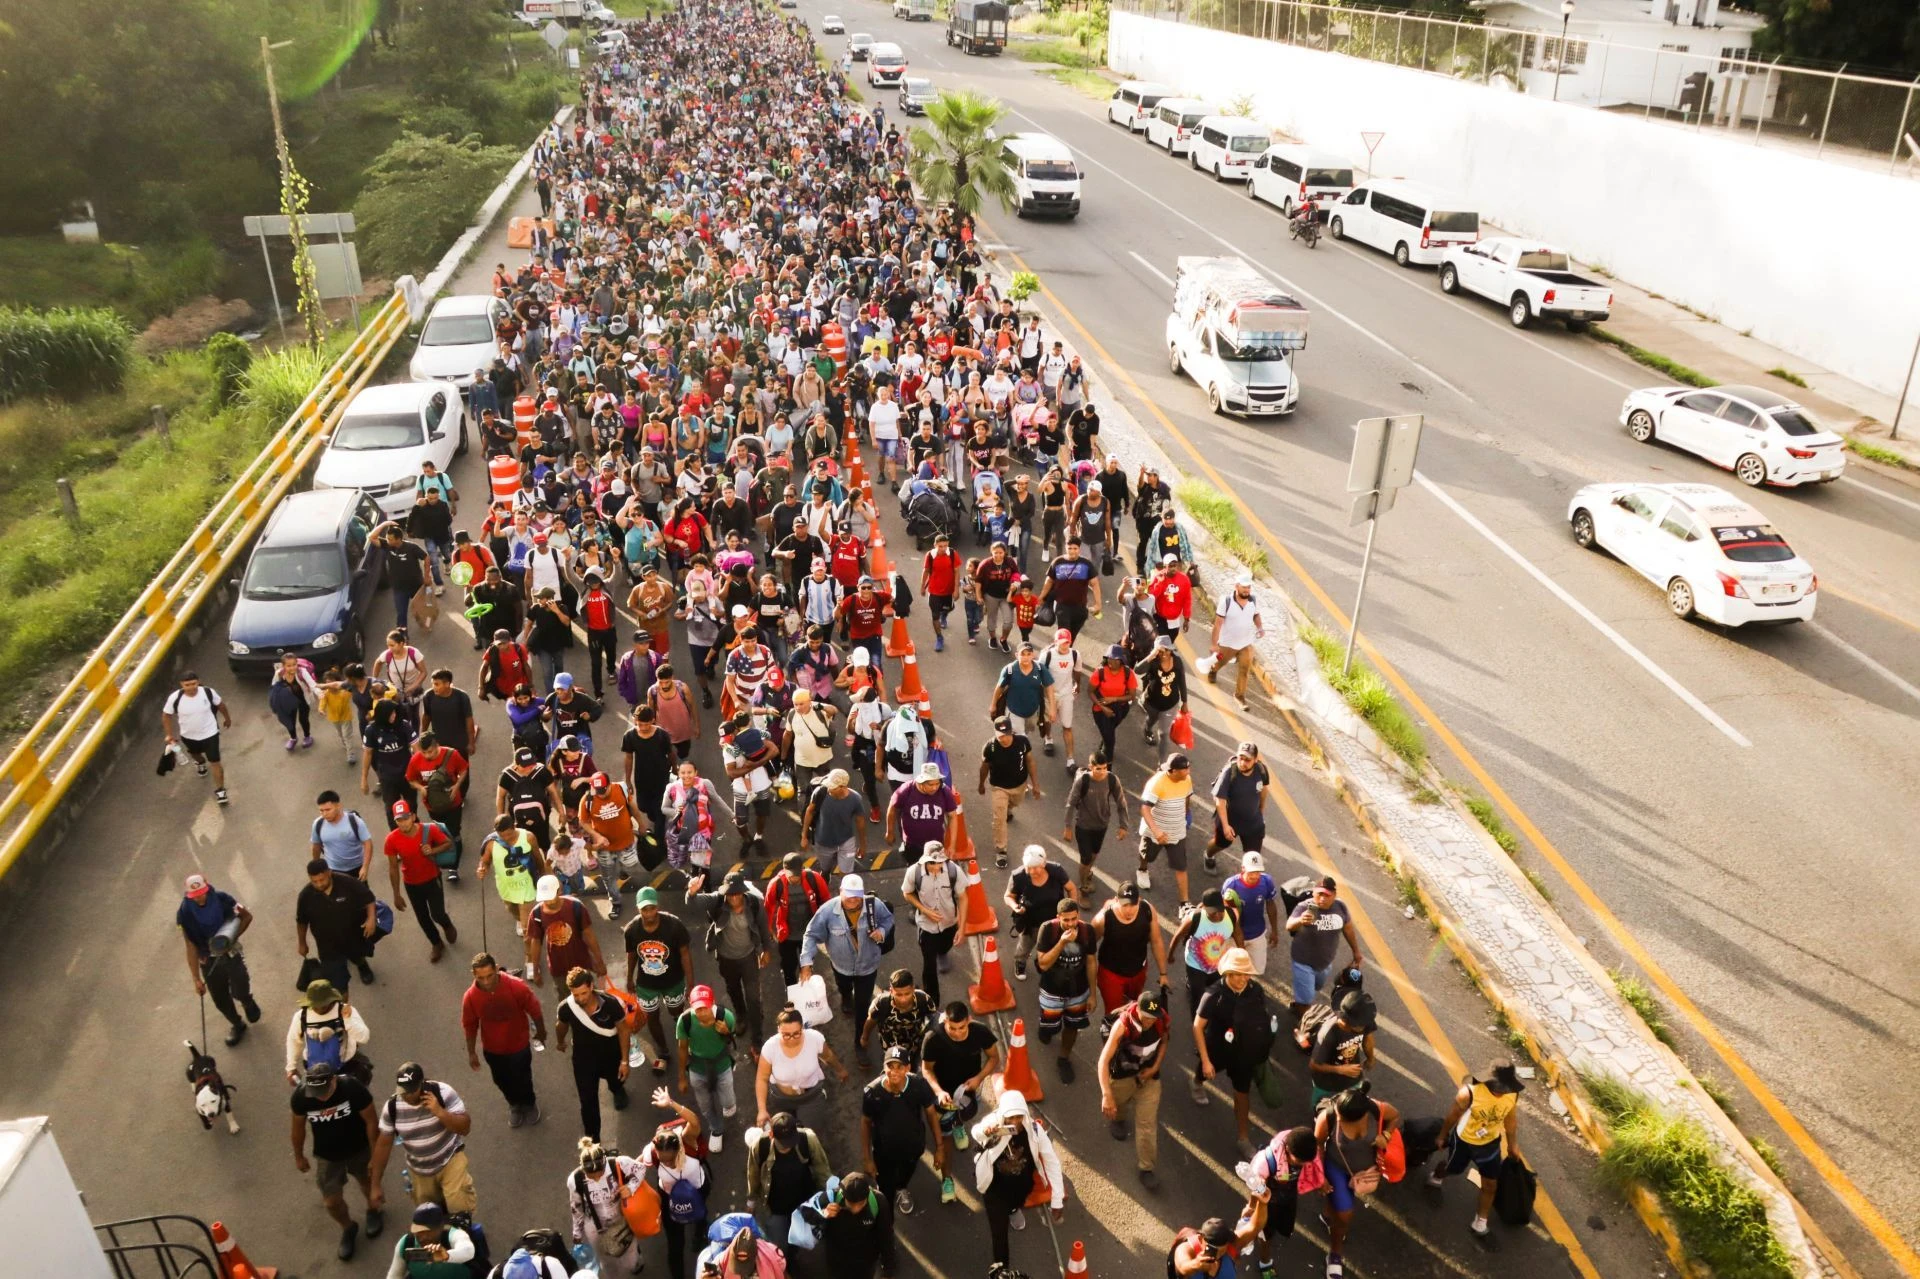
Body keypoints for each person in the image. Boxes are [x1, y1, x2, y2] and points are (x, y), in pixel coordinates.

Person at [290, 1061, 385, 1261]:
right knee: (331, 1202)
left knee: (367, 1182)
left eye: (324, 1091)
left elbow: (371, 1121)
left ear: (334, 1079)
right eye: (316, 1092)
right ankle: (348, 1227)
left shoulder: (352, 1087)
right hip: (327, 1155)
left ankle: (373, 1210)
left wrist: (375, 1154)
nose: (321, 1097)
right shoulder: (301, 1096)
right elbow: (297, 1128)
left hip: (359, 1148)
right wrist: (299, 1155)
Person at [1428, 1062, 1527, 1247]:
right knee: (1453, 1169)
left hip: (1490, 1144)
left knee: (1490, 1184)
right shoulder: (1469, 1092)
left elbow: (1510, 1120)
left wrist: (1513, 1144)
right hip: (1464, 1141)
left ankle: (1480, 1222)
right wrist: (1442, 1136)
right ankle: (1436, 1177)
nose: (1501, 1091)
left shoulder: (1512, 1094)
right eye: (1498, 1087)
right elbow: (1453, 1115)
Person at [969, 1090, 1065, 1269]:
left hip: (1021, 1186)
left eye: (1019, 1116)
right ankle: (1001, 1271)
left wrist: (1057, 1199)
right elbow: (976, 1132)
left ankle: (1013, 1209)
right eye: (1010, 1117)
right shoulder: (994, 1121)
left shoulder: (1035, 1131)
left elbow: (1052, 1162)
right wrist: (986, 1131)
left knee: (1016, 1202)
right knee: (999, 1235)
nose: (1014, 1122)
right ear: (1003, 1113)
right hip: (995, 1189)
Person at [1193, 948, 1275, 1158]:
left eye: (1246, 973)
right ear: (1228, 973)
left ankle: (1243, 1138)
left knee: (1242, 1094)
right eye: (1237, 974)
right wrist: (1205, 1060)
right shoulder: (1213, 995)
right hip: (1217, 1049)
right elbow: (1197, 1026)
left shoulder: (1256, 990)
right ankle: (1197, 1083)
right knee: (1203, 1073)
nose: (1242, 979)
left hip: (1243, 1053)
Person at [1315, 1082, 1402, 1277]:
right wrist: (1320, 1176)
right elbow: (1318, 1145)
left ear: (1364, 1115)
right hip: (1337, 1168)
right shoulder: (1328, 1116)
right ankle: (1335, 1255)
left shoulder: (1376, 1108)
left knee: (1336, 1208)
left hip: (1365, 1171)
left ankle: (1328, 1215)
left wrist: (1386, 1135)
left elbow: (1395, 1116)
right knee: (1345, 1215)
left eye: (1345, 1120)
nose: (1339, 1120)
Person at [919, 1002, 1000, 1205]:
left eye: (961, 1027)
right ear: (945, 1021)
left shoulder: (980, 1032)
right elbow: (926, 1069)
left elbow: (993, 1057)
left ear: (969, 1020)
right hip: (942, 1097)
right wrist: (939, 1092)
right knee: (944, 1139)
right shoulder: (933, 1038)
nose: (957, 1033)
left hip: (968, 1093)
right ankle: (947, 1180)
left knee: (964, 1115)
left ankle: (958, 1125)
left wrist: (979, 1078)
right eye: (952, 1028)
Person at [685, 868, 773, 1050]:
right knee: (733, 989)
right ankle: (741, 1016)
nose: (733, 898)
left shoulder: (754, 903)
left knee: (753, 997)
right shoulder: (717, 900)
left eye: (737, 894)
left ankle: (756, 1038)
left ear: (743, 892)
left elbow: (763, 928)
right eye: (729, 894)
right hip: (726, 958)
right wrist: (691, 893)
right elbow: (693, 904)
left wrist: (766, 950)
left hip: (748, 957)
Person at [1097, 985, 1170, 1190]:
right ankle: (1119, 1119)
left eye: (1153, 1018)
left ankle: (1147, 1168)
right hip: (1122, 1075)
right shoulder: (1122, 1026)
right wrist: (1106, 1094)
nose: (1149, 1021)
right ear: (1137, 1009)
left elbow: (1164, 1041)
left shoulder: (1162, 1020)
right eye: (1146, 1017)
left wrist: (1154, 1067)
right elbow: (1103, 1061)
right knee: (1118, 1103)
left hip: (1149, 1077)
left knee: (1147, 1124)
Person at [461, 951, 545, 1127]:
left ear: (497, 969)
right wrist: (471, 1053)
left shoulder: (516, 986)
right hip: (493, 1050)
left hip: (519, 1045)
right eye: (480, 977)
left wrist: (541, 1032)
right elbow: (469, 1025)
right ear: (473, 975)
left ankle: (529, 1103)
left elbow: (534, 1008)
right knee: (501, 1080)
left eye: (489, 976)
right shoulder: (470, 997)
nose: (486, 982)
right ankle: (514, 1104)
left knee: (523, 1077)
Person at [861, 1045, 944, 1217]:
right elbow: (866, 1123)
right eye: (890, 1066)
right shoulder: (872, 1092)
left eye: (899, 1066)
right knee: (885, 1185)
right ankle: (884, 1205)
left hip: (913, 1147)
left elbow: (931, 1114)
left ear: (908, 1068)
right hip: (883, 1151)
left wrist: (940, 1148)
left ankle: (901, 1188)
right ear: (884, 1067)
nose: (894, 1071)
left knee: (906, 1173)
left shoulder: (919, 1085)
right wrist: (867, 1159)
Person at [799, 874, 895, 1024]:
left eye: (857, 896)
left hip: (868, 966)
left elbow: (888, 919)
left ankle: (861, 1027)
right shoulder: (827, 911)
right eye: (849, 895)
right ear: (840, 891)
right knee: (844, 987)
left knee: (863, 1002)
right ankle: (846, 998)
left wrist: (882, 932)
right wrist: (806, 963)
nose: (853, 899)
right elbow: (811, 934)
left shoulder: (875, 905)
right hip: (841, 966)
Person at [177, 874, 260, 1046]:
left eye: (202, 893)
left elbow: (247, 916)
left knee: (240, 988)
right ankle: (237, 1024)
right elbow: (190, 945)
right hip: (207, 960)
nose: (199, 898)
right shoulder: (184, 913)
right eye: (195, 896)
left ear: (207, 887)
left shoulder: (222, 899)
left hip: (230, 954)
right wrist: (196, 978)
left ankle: (246, 1001)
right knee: (220, 999)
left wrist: (230, 939)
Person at [623, 886, 696, 1074]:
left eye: (652, 908)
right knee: (652, 1018)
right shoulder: (632, 930)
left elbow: (685, 954)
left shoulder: (674, 925)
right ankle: (663, 1052)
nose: (649, 913)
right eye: (644, 909)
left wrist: (691, 984)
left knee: (677, 1013)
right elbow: (632, 955)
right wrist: (629, 978)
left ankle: (687, 1044)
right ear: (638, 908)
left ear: (658, 906)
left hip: (673, 982)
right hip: (647, 984)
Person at [555, 966, 633, 1143]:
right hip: (583, 1061)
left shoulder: (610, 1004)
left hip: (610, 1056)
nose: (580, 998)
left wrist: (624, 1061)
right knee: (587, 1102)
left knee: (616, 1080)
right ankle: (593, 1141)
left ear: (591, 986)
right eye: (576, 995)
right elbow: (561, 1025)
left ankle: (617, 1090)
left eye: (583, 993)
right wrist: (560, 1041)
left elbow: (623, 1030)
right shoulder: (566, 1008)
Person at [640, 1092, 711, 1279]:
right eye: (663, 1160)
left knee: (700, 1215)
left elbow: (694, 1121)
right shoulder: (652, 1151)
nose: (668, 1164)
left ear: (679, 1149)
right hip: (669, 1198)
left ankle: (699, 1234)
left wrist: (671, 1103)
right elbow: (636, 1165)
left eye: (671, 1160)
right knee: (675, 1243)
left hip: (698, 1189)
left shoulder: (687, 1140)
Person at [755, 1006, 850, 1136]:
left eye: (796, 1033)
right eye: (786, 1035)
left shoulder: (815, 1039)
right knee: (786, 1134)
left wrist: (840, 1070)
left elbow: (828, 1056)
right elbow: (762, 1078)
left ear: (802, 1029)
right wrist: (762, 1110)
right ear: (778, 1030)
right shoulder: (770, 1047)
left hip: (810, 1097)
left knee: (807, 1135)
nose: (792, 1038)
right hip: (781, 1099)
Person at [1034, 897, 1098, 1082]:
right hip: (1052, 989)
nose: (1070, 924)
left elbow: (1091, 962)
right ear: (1058, 917)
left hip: (1077, 991)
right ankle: (1046, 1028)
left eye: (1074, 919)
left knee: (1072, 1026)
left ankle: (1064, 1058)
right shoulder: (1047, 929)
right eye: (1066, 920)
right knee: (1050, 1025)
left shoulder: (1087, 931)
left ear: (1078, 916)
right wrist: (1061, 943)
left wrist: (1093, 995)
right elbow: (1043, 964)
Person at [384, 801, 458, 961]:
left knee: (437, 914)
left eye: (405, 818)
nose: (403, 823)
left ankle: (446, 924)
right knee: (422, 918)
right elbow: (393, 867)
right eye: (399, 820)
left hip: (432, 879)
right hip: (411, 884)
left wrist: (433, 850)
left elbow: (448, 843)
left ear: (413, 816)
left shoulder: (429, 829)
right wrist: (396, 894)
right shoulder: (391, 839)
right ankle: (436, 943)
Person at [1244, 1127, 1322, 1274]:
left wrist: (1321, 1181)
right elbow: (1256, 1190)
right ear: (1287, 1149)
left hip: (1288, 1198)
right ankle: (1265, 1262)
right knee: (1265, 1235)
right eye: (1300, 1162)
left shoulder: (1305, 1149)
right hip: (1267, 1205)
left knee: (1282, 1226)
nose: (1304, 1165)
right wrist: (1252, 1207)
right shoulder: (1265, 1163)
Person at [746, 1111, 830, 1245]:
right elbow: (753, 1173)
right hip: (776, 1207)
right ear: (771, 1135)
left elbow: (822, 1170)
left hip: (804, 1201)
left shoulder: (808, 1138)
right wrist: (751, 1202)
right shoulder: (759, 1146)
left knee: (802, 1239)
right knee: (779, 1244)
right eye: (783, 1143)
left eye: (791, 1141)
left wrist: (827, 1198)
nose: (788, 1147)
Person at [898, 843, 969, 1001]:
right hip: (926, 927)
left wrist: (962, 928)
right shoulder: (914, 872)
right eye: (932, 863)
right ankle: (931, 1001)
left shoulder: (954, 870)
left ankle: (942, 953)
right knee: (929, 965)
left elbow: (963, 898)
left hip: (949, 922)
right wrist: (925, 910)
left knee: (945, 945)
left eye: (940, 862)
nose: (936, 867)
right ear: (925, 860)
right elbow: (907, 893)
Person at [567, 1138, 648, 1275]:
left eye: (600, 1174)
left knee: (630, 1252)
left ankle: (634, 1263)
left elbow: (641, 1169)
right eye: (591, 1176)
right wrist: (577, 1233)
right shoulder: (575, 1179)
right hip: (595, 1226)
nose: (597, 1179)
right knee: (605, 1260)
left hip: (622, 1219)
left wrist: (631, 1187)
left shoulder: (619, 1163)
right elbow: (576, 1207)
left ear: (604, 1163)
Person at [296, 857, 379, 991]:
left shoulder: (347, 882)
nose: (319, 884)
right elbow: (301, 921)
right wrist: (302, 943)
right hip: (327, 945)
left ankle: (362, 965)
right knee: (337, 983)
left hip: (352, 935)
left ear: (329, 872)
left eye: (322, 880)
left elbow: (368, 898)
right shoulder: (305, 896)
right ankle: (342, 998)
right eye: (314, 881)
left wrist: (371, 918)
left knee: (357, 956)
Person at [1091, 882, 1170, 1021]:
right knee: (1114, 1014)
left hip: (1138, 971)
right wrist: (1090, 987)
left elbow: (1156, 941)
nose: (1129, 910)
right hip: (1111, 975)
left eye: (1133, 905)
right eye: (1125, 905)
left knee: (1134, 1006)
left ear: (1139, 900)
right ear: (1116, 900)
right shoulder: (1102, 919)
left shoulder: (1147, 910)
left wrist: (1163, 973)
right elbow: (1089, 950)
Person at [795, 1171, 896, 1279]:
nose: (856, 1209)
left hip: (865, 1263)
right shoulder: (831, 1197)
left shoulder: (878, 1201)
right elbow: (805, 1211)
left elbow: (886, 1237)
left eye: (861, 1204)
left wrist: (888, 1272)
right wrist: (823, 1213)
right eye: (851, 1203)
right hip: (837, 1260)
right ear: (843, 1194)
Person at [1286, 876, 1363, 1016]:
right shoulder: (1304, 907)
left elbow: (1348, 929)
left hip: (1325, 963)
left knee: (1317, 986)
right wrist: (1300, 920)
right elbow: (1289, 925)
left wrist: (1356, 952)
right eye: (1319, 894)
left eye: (1327, 895)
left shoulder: (1340, 907)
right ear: (1313, 892)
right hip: (1303, 962)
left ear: (1334, 895)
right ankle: (1304, 1019)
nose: (1322, 898)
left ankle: (1299, 1003)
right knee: (1307, 999)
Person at [676, 984, 741, 1151]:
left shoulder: (726, 1017)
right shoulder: (685, 1020)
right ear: (691, 1005)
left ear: (713, 1002)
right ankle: (716, 1129)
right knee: (705, 1105)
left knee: (729, 1103)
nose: (702, 1013)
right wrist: (682, 1077)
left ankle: (728, 1104)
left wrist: (726, 1032)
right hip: (697, 1069)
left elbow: (732, 1041)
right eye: (698, 1009)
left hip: (722, 1065)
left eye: (705, 1007)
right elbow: (682, 1048)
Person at [476, 815, 548, 962]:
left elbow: (538, 858)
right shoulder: (491, 843)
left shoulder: (528, 837)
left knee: (527, 931)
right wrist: (482, 869)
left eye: (509, 834)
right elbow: (485, 862)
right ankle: (519, 919)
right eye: (502, 836)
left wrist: (543, 878)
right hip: (506, 889)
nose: (506, 838)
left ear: (514, 826)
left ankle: (530, 959)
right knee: (513, 911)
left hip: (527, 887)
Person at [1004, 845, 1074, 982]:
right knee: (1025, 946)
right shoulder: (1018, 876)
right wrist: (1015, 907)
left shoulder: (1056, 871)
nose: (1032, 871)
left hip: (1054, 922)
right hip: (1030, 923)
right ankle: (1020, 962)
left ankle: (1045, 963)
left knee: (1052, 946)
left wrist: (1071, 910)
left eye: (1036, 867)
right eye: (1028, 867)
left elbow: (1071, 889)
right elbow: (1008, 896)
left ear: (1044, 863)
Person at [978, 716, 1041, 869]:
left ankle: (1009, 809)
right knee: (999, 819)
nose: (1004, 739)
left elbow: (1030, 761)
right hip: (999, 787)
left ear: (1011, 731)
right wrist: (981, 784)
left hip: (1019, 785)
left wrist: (1035, 784)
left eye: (1006, 735)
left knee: (1016, 802)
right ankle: (1001, 850)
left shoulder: (1022, 742)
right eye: (1000, 736)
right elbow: (984, 767)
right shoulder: (990, 747)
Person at [1061, 750, 1127, 896]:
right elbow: (1070, 803)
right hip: (1083, 825)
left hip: (1102, 824)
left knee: (1094, 853)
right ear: (1091, 767)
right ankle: (1083, 886)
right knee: (1085, 859)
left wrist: (1123, 825)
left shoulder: (1112, 780)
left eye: (1105, 768)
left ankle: (1087, 871)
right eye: (1098, 768)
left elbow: (1121, 803)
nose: (1102, 772)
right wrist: (1067, 826)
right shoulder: (1082, 781)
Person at [408, 732, 471, 880]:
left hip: (453, 803)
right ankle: (441, 859)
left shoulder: (452, 754)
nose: (427, 755)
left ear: (437, 745)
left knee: (454, 833)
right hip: (432, 806)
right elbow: (411, 779)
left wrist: (457, 786)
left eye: (430, 751)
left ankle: (453, 868)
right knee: (440, 833)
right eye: (424, 752)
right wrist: (420, 788)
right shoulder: (416, 759)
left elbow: (463, 770)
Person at [162, 671, 232, 805]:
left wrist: (227, 718)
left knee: (215, 762)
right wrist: (169, 734)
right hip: (188, 735)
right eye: (187, 685)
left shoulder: (208, 692)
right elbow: (166, 715)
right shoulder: (174, 698)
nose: (191, 687)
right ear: (181, 685)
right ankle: (200, 762)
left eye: (194, 684)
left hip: (210, 733)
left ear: (198, 682)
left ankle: (221, 791)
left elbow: (221, 705)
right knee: (195, 754)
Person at [286, 977, 371, 1087]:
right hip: (315, 1071)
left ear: (330, 1000)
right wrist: (291, 1067)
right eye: (314, 1005)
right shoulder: (302, 1016)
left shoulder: (345, 1011)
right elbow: (293, 1041)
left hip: (347, 1066)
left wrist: (347, 1020)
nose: (317, 1009)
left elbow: (364, 1037)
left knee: (355, 1094)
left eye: (321, 1005)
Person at [527, 874, 607, 989]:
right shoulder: (536, 914)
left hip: (582, 964)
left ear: (559, 891)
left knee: (587, 993)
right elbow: (535, 942)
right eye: (545, 898)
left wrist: (599, 962)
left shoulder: (576, 906)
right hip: (558, 969)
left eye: (550, 896)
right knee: (565, 997)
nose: (548, 901)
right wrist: (535, 970)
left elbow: (589, 935)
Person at [767, 852, 833, 987]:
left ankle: (807, 989)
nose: (795, 878)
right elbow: (768, 908)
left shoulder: (814, 878)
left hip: (809, 932)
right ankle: (791, 990)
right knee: (788, 966)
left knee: (807, 965)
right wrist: (768, 930)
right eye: (791, 875)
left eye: (797, 874)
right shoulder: (776, 884)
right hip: (787, 934)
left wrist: (828, 925)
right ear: (784, 870)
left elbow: (827, 901)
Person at [1138, 752, 1195, 905]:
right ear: (1173, 771)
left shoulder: (1187, 779)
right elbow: (1145, 809)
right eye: (1185, 769)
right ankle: (1142, 869)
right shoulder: (1156, 783)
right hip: (1156, 832)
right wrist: (1156, 831)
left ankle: (1184, 903)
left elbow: (1187, 797)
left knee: (1181, 866)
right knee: (1147, 855)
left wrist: (1186, 815)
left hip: (1177, 831)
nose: (1188, 771)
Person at [1206, 743, 1271, 876]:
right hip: (1230, 821)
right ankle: (1208, 855)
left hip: (1253, 824)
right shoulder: (1229, 772)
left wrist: (1261, 811)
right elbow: (1220, 801)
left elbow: (1264, 790)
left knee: (1252, 857)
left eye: (1247, 760)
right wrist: (1225, 826)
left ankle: (1245, 881)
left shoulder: (1261, 770)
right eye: (1241, 758)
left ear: (1255, 760)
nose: (1242, 763)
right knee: (1220, 844)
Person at [1206, 572, 1265, 710]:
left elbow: (1256, 615)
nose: (1247, 590)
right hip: (1227, 644)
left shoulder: (1253, 601)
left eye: (1249, 587)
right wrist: (1214, 645)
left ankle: (1239, 696)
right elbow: (1218, 624)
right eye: (1244, 587)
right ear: (1236, 586)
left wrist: (1260, 627)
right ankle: (1213, 670)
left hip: (1245, 644)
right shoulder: (1226, 602)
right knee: (1219, 663)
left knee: (1244, 670)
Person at [1309, 990, 1379, 1106]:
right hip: (1326, 1084)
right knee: (1320, 1107)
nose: (1366, 1026)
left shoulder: (1363, 1022)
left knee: (1351, 1106)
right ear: (1350, 1022)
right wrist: (1341, 1069)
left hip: (1352, 1079)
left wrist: (1370, 1058)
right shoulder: (1328, 1033)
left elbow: (1368, 1037)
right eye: (1363, 1025)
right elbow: (1314, 1064)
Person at [885, 761, 960, 866]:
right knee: (915, 870)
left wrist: (952, 845)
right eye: (931, 784)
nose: (934, 788)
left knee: (934, 870)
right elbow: (892, 810)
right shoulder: (906, 790)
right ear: (921, 781)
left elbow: (952, 816)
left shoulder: (944, 792)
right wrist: (890, 832)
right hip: (913, 845)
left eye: (937, 783)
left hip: (936, 845)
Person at [800, 767, 871, 876]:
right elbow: (809, 811)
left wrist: (863, 845)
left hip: (846, 841)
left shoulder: (856, 799)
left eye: (832, 786)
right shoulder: (820, 792)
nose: (829, 788)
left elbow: (860, 822)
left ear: (843, 787)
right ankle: (825, 874)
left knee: (846, 873)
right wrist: (804, 836)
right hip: (823, 842)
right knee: (825, 868)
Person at [1167, 1206, 1267, 1278]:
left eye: (1222, 1251)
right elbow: (1183, 1267)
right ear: (1200, 1239)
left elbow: (1254, 1227)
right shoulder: (1186, 1248)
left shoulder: (1231, 1244)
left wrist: (1262, 1203)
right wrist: (1196, 1265)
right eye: (1214, 1249)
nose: (1217, 1256)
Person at [384, 1202, 476, 1279]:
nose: (423, 1237)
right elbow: (394, 1275)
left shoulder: (454, 1234)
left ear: (440, 1227)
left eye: (428, 1232)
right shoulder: (407, 1243)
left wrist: (447, 1256)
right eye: (419, 1232)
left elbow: (468, 1250)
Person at [1085, 645, 1137, 763]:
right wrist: (1103, 708)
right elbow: (1090, 692)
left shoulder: (1128, 673)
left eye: (1115, 659)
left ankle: (1104, 746)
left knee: (1109, 732)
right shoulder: (1100, 672)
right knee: (1110, 741)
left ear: (1121, 660)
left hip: (1120, 710)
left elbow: (1132, 696)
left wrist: (1113, 699)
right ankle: (1107, 765)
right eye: (1109, 658)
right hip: (1100, 710)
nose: (1111, 661)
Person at [1134, 635, 1188, 746]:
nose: (1164, 653)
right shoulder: (1153, 662)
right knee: (1152, 718)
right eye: (1160, 651)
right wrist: (1152, 655)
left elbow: (1182, 682)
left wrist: (1185, 701)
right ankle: (1147, 730)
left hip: (1171, 702)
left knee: (1165, 725)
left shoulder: (1177, 661)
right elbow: (1138, 670)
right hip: (1152, 701)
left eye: (1167, 650)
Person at [312, 789, 376, 879]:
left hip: (356, 867)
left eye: (328, 810)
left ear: (338, 806)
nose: (324, 814)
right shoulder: (318, 824)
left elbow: (367, 843)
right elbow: (316, 846)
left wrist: (365, 867)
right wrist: (317, 867)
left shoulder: (354, 821)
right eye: (321, 811)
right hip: (333, 869)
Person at [269, 650, 321, 751]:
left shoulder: (302, 672)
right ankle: (293, 738)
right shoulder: (279, 673)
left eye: (294, 664)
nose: (292, 667)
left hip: (303, 700)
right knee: (290, 721)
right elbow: (274, 686)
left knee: (303, 719)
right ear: (283, 666)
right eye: (289, 665)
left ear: (297, 663)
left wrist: (320, 693)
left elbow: (312, 684)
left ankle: (307, 736)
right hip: (288, 702)